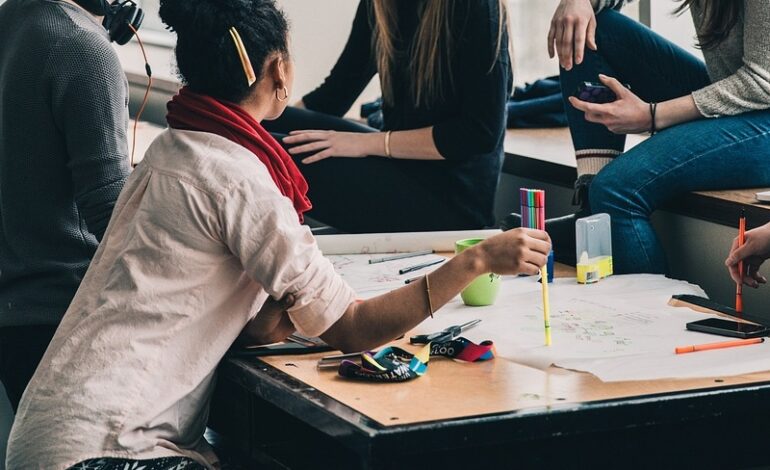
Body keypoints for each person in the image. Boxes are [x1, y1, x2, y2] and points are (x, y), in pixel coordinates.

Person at [6, 0, 551, 468]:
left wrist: (270, 315)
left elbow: (199, 304)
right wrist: (476, 261)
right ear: (277, 72)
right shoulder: (243, 182)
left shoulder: (169, 152)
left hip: (44, 436)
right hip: (108, 453)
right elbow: (355, 328)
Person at [542, 0, 770, 273]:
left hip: (763, 114)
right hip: (736, 104)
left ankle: (652, 312)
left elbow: (762, 82)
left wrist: (653, 115)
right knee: (595, 25)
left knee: (616, 189)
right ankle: (593, 213)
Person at [263, 0, 512, 233]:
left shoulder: (476, 6)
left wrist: (363, 144)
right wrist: (254, 120)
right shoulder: (381, 5)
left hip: (452, 200)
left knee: (266, 153)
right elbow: (335, 95)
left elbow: (479, 133)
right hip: (400, 165)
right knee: (256, 127)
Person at [0, 0, 136, 412]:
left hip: (16, 312)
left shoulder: (12, 18)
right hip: (60, 317)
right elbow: (112, 214)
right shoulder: (82, 48)